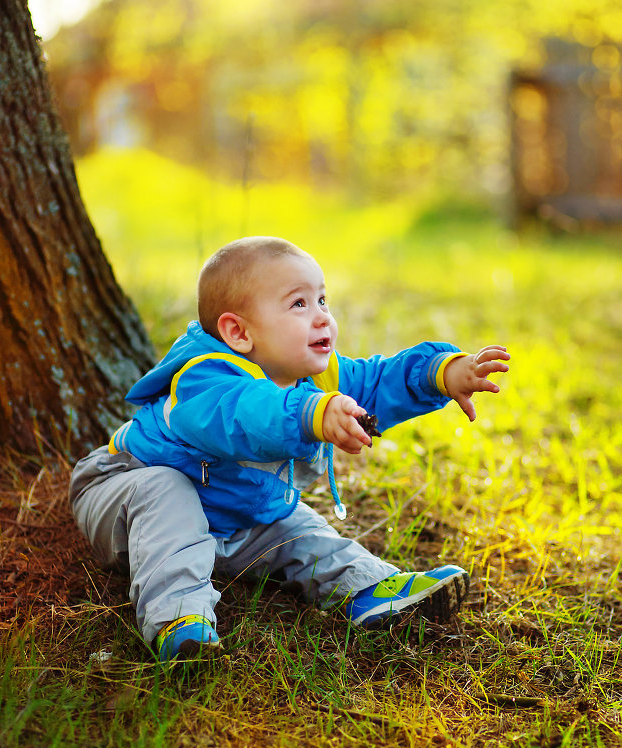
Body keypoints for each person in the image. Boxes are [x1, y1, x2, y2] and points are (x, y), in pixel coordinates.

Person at [69, 236, 510, 661]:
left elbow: (376, 380)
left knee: (299, 528)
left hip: (232, 519)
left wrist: (440, 373)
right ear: (238, 332)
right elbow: (247, 415)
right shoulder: (202, 380)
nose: (321, 318)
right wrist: (312, 414)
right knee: (166, 490)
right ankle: (179, 620)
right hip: (125, 496)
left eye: (322, 300)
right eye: (298, 304)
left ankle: (369, 589)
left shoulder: (314, 376)